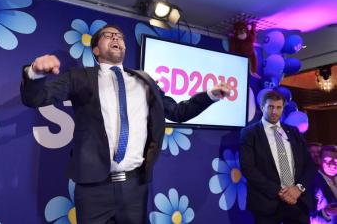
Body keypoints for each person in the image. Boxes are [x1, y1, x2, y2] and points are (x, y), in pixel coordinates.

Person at [20, 24, 231, 224]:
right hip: (93, 187)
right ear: (95, 50)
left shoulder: (144, 81)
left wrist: (211, 95)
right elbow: (36, 99)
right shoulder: (79, 77)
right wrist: (35, 73)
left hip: (134, 187)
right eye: (108, 35)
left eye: (119, 36)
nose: (115, 37)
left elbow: (179, 112)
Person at [239, 90, 316, 224]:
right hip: (267, 203)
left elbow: (309, 165)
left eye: (278, 107)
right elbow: (248, 168)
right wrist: (281, 192)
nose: (274, 111)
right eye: (270, 107)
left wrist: (298, 188)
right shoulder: (249, 133)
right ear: (263, 107)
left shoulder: (294, 132)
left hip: (298, 200)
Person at [312, 145, 337, 224]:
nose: (332, 165)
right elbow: (308, 217)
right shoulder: (312, 183)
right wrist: (325, 213)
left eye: (336, 161)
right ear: (319, 160)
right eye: (328, 160)